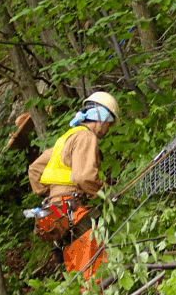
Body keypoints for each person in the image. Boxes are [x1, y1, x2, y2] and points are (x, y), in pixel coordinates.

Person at [27, 91, 119, 280]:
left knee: (78, 269)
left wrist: (52, 191)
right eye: (108, 125)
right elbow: (84, 177)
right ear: (102, 118)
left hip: (56, 210)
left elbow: (35, 170)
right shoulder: (86, 137)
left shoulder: (65, 140)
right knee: (93, 269)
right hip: (72, 208)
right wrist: (106, 194)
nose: (107, 130)